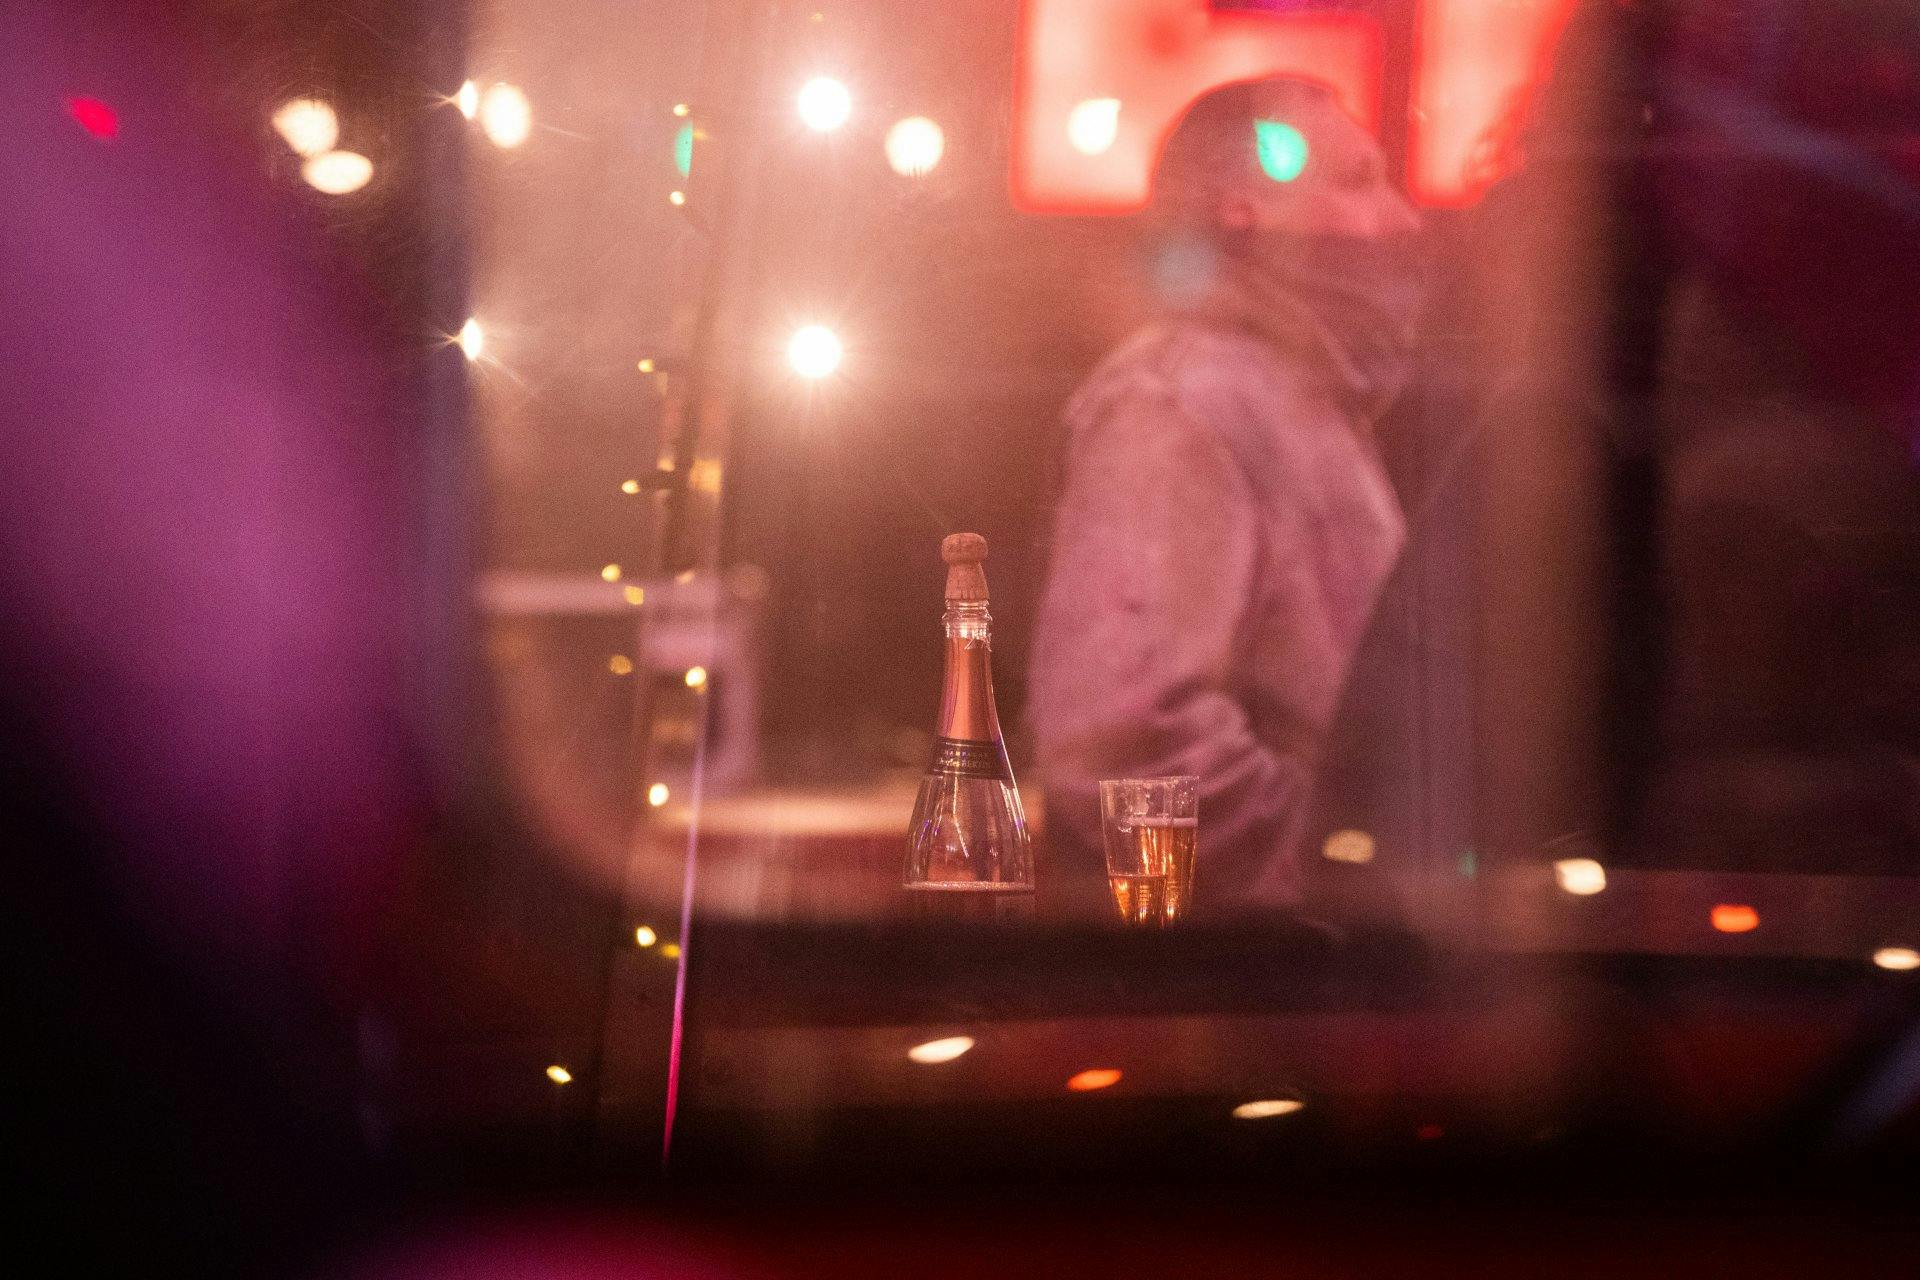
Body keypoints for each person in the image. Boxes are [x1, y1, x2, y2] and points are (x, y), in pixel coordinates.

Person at [1030, 77, 1424, 913]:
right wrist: (1339, 880)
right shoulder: (1179, 406)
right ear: (1240, 210)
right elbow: (1123, 750)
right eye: (1358, 181)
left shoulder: (1293, 402)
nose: (1402, 219)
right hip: (1238, 984)